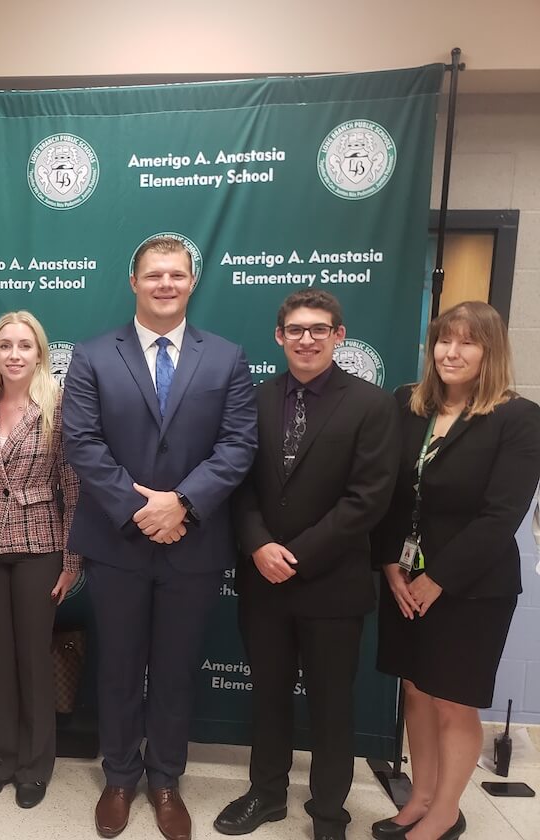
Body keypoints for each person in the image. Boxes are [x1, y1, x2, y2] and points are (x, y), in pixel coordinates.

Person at [62, 236, 258, 840]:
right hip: (117, 542)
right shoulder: (94, 356)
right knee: (118, 667)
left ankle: (165, 779)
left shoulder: (225, 358)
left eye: (176, 274)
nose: (165, 284)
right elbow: (82, 443)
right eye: (154, 275)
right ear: (134, 282)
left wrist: (183, 505)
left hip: (192, 544)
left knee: (175, 670)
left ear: (192, 282)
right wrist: (138, 508)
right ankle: (120, 777)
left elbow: (238, 445)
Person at [214, 290, 400, 840]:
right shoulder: (253, 399)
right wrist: (258, 546)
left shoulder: (371, 404)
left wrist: (295, 556)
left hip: (332, 584)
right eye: (296, 329)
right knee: (268, 697)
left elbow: (367, 499)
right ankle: (267, 795)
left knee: (331, 706)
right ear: (279, 337)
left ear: (339, 336)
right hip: (262, 578)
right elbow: (238, 486)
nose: (307, 339)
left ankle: (327, 814)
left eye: (320, 329)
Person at [370, 302, 540, 840]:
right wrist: (390, 566)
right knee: (416, 692)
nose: (452, 352)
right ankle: (420, 797)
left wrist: (437, 578)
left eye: (468, 342)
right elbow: (390, 497)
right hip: (405, 579)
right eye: (444, 340)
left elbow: (501, 514)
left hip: (471, 587)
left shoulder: (517, 417)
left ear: (490, 352)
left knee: (451, 700)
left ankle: (446, 814)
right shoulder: (409, 405)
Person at [0, 311, 81, 810]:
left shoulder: (59, 407)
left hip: (41, 544)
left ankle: (35, 766)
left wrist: (72, 559)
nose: (14, 355)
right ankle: (2, 759)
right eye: (4, 346)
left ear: (40, 352)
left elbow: (75, 487)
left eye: (25, 346)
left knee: (33, 658)